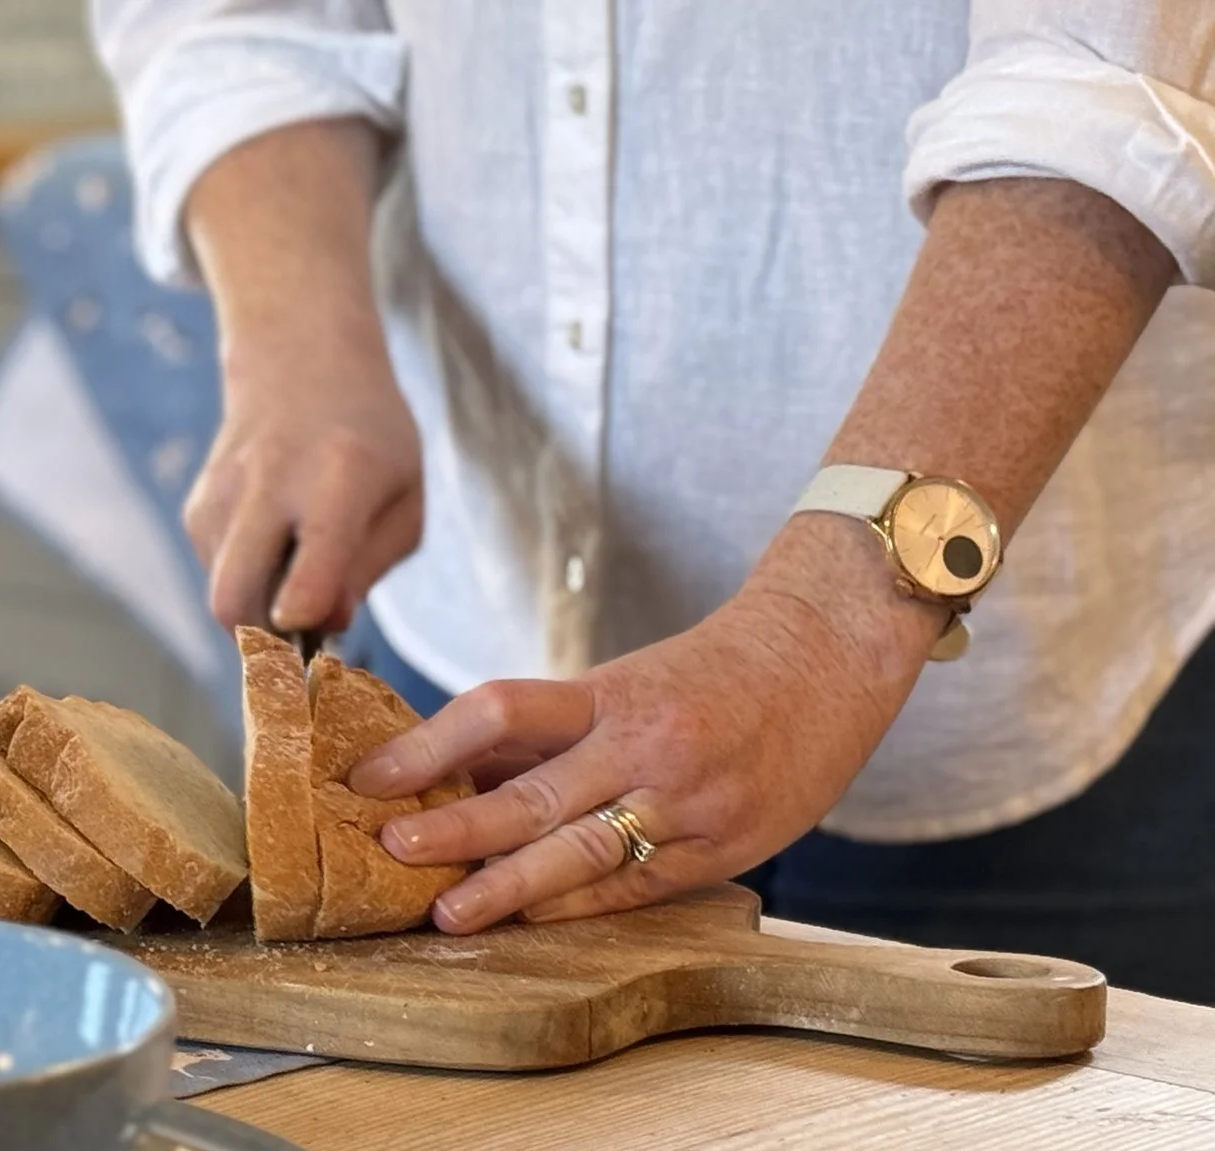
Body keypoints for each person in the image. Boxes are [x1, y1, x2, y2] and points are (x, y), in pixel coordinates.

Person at [91, 2, 1215, 1000]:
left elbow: (1104, 82)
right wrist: (298, 345)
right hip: (474, 633)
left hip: (1039, 710)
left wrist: (822, 624)